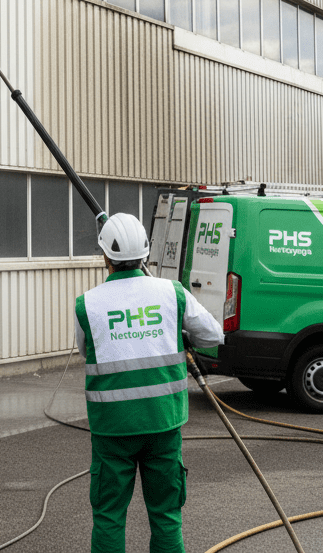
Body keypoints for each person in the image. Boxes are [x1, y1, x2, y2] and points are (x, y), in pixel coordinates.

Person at [75, 212, 225, 553]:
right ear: (145, 253)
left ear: (104, 255)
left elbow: (88, 351)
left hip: (112, 429)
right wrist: (177, 331)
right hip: (163, 422)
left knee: (109, 516)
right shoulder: (172, 293)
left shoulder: (87, 304)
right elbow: (212, 335)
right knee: (166, 515)